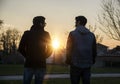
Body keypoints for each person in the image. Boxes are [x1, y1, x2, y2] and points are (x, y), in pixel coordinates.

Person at [18, 16, 52, 84]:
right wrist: (43, 57)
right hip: (41, 64)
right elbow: (50, 49)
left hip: (29, 63)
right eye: (44, 23)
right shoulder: (46, 34)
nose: (45, 25)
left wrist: (27, 56)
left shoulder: (27, 33)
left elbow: (20, 48)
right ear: (40, 24)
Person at [65, 16, 97, 84]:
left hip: (75, 63)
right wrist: (93, 60)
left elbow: (69, 49)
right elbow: (94, 49)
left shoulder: (72, 34)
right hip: (87, 63)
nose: (75, 23)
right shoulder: (92, 35)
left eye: (76, 22)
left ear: (79, 22)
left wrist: (68, 60)